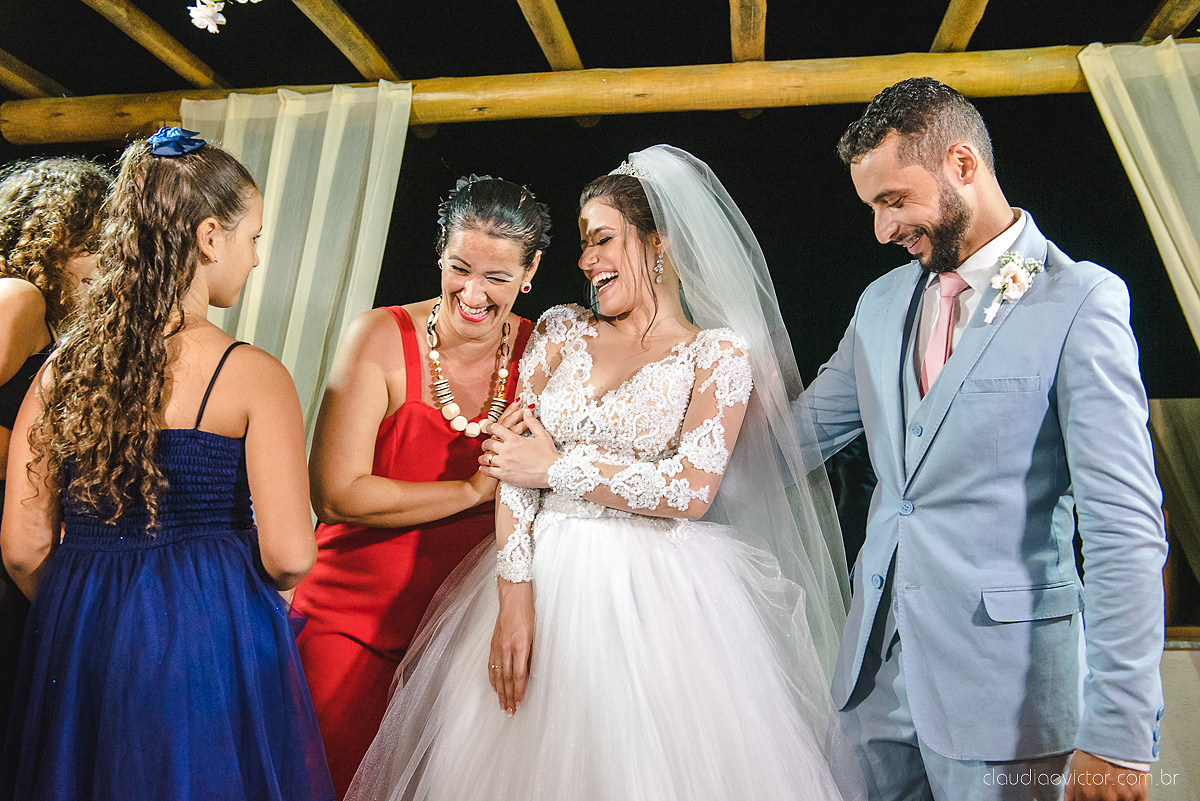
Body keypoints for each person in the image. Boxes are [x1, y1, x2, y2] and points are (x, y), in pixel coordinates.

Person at [344, 145, 858, 801]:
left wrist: (556, 465)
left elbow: (690, 489)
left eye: (602, 239)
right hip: (543, 573)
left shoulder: (718, 355)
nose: (586, 260)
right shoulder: (561, 330)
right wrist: (513, 596)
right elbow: (512, 466)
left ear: (658, 243)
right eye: (584, 243)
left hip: (660, 597)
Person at [799, 78, 1167, 801]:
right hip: (873, 691)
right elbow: (796, 438)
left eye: (893, 200)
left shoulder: (1080, 301)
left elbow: (1124, 529)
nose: (881, 230)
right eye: (872, 207)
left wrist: (1119, 731)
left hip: (1010, 704)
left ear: (962, 164)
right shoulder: (879, 303)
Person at [1, 128, 334, 801]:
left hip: (84, 640)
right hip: (207, 642)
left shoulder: (61, 372)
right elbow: (290, 556)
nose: (256, 256)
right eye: (253, 237)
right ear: (210, 237)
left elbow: (22, 548)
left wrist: (91, 612)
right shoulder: (255, 376)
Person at [291, 175, 546, 798]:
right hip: (350, 622)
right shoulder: (378, 336)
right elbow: (335, 493)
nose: (472, 294)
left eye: (496, 278)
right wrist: (469, 492)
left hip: (464, 639)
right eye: (459, 268)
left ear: (531, 271)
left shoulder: (543, 351)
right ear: (439, 253)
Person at [0, 155, 111, 752]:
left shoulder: (59, 329)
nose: (106, 265)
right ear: (48, 240)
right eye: (92, 246)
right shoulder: (18, 298)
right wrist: (35, 462)